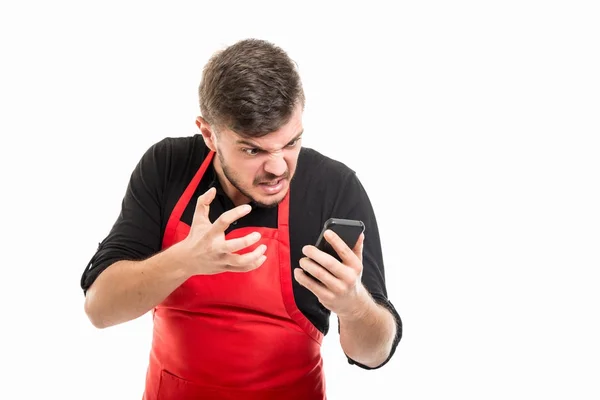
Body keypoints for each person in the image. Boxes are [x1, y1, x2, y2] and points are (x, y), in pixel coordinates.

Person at [80, 38, 402, 400]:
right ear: (209, 134)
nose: (278, 167)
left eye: (291, 143)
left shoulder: (333, 188)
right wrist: (185, 260)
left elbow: (375, 354)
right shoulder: (167, 167)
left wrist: (353, 304)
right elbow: (100, 310)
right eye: (253, 149)